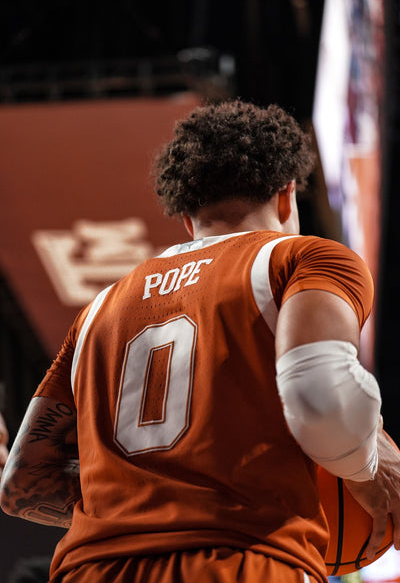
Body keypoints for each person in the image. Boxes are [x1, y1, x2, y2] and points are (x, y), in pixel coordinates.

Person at [1, 100, 400, 583]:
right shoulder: (305, 258)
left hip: (91, 570)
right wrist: (367, 467)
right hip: (242, 560)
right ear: (286, 195)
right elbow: (319, 395)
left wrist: (144, 501)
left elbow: (23, 483)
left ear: (187, 218)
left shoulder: (96, 311)